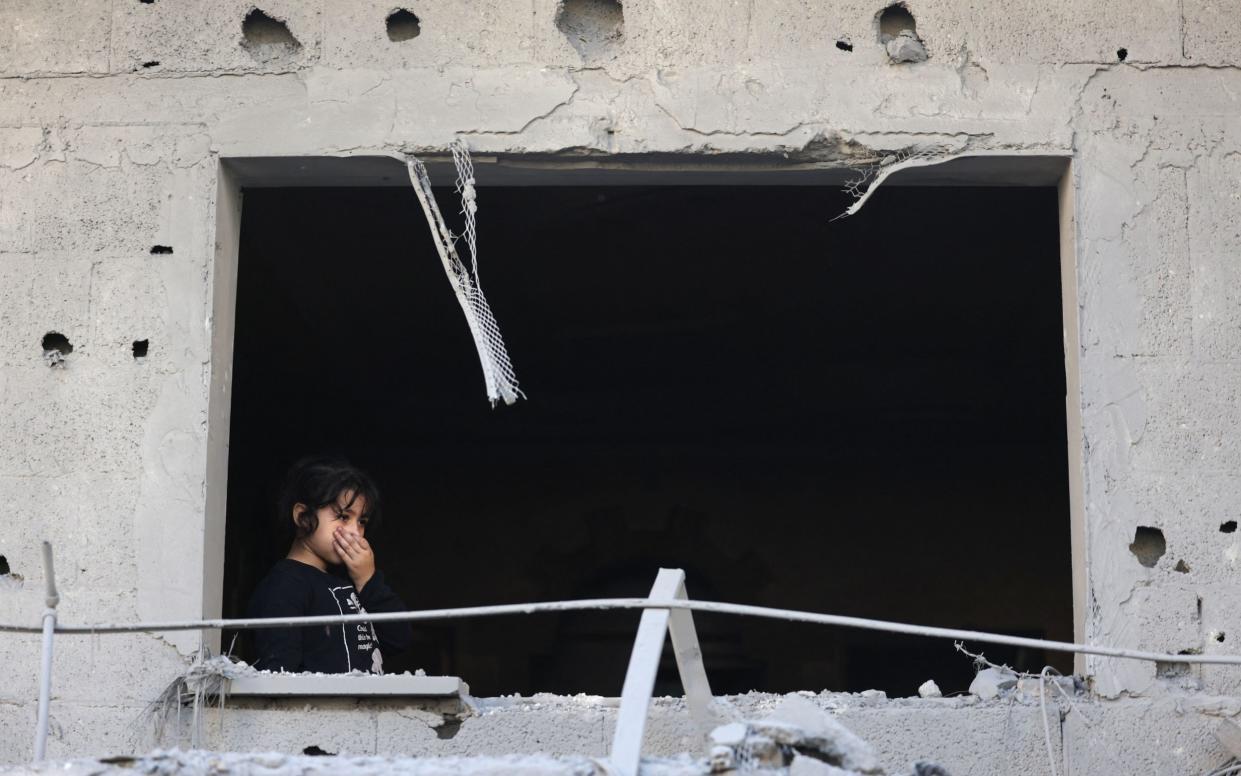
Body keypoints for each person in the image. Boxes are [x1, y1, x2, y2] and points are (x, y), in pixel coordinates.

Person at [246, 456, 412, 673]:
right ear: (303, 517)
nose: (355, 531)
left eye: (362, 521)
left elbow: (399, 639)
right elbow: (279, 672)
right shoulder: (284, 586)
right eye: (343, 517)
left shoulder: (348, 580)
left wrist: (367, 580)